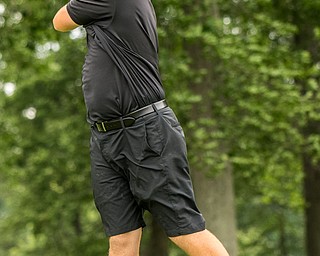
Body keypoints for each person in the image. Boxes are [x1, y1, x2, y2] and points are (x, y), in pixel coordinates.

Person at [53, 1, 229, 255]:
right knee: (121, 238)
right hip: (105, 137)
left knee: (185, 229)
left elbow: (60, 21)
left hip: (145, 132)